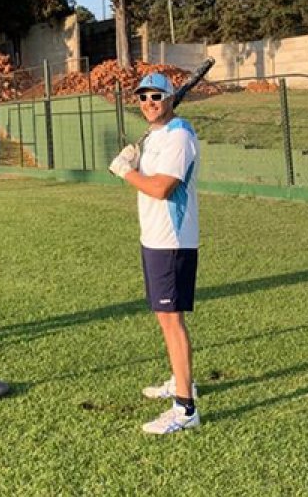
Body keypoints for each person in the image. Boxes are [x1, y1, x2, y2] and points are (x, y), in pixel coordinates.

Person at [108, 73, 201, 434]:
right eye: (142, 97)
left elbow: (162, 188)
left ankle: (186, 408)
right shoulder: (157, 136)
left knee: (171, 319)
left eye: (156, 96)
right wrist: (136, 157)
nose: (148, 102)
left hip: (173, 241)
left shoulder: (180, 134)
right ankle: (181, 382)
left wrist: (125, 171)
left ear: (170, 98)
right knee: (164, 317)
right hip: (154, 237)